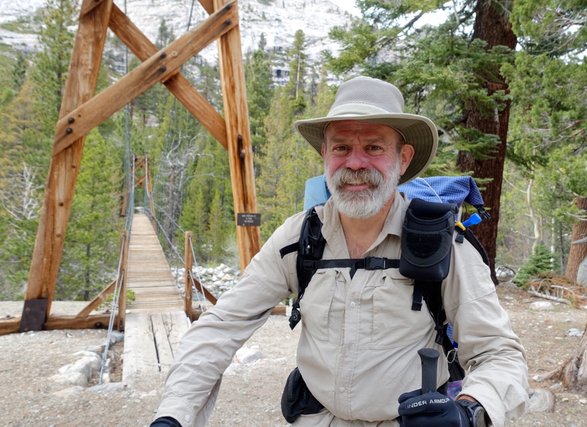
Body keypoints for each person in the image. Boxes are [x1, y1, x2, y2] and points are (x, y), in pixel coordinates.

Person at [151, 76, 529, 427]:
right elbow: (220, 328)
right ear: (325, 156)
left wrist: (469, 410)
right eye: (341, 147)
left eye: (374, 147)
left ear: (403, 158)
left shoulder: (445, 244)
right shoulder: (298, 237)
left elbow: (499, 353)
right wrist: (172, 416)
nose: (355, 163)